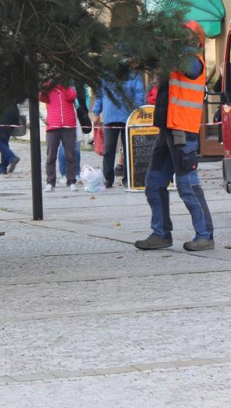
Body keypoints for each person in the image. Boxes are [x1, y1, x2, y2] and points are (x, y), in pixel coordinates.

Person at [135, 21, 215, 252]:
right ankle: (161, 233)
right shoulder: (174, 59)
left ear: (193, 41)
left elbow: (184, 65)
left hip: (183, 131)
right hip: (167, 130)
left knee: (187, 184)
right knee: (154, 182)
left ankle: (205, 235)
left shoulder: (193, 61)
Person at [92, 69, 145, 188]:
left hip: (128, 117)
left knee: (128, 150)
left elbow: (139, 95)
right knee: (109, 150)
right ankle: (108, 179)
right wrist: (96, 112)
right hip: (111, 116)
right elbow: (99, 95)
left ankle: (128, 179)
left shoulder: (133, 75)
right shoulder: (105, 75)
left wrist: (136, 112)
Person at [40, 83, 78, 191]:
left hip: (68, 125)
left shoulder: (68, 87)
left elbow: (72, 96)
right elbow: (41, 97)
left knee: (70, 155)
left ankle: (71, 181)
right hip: (53, 125)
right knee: (51, 156)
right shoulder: (48, 89)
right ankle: (50, 182)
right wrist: (47, 84)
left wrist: (64, 85)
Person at [0, 102, 22, 174]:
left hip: (1, 116)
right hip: (13, 115)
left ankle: (12, 158)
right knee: (4, 142)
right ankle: (2, 167)